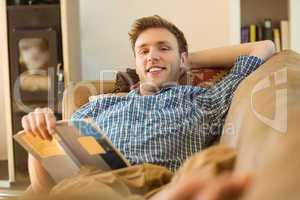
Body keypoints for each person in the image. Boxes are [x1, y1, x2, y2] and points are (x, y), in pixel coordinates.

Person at [21, 15, 275, 199]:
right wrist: (39, 138)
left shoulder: (204, 100)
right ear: (135, 61)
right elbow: (47, 182)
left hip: (155, 184)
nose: (151, 56)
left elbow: (264, 47)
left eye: (163, 48)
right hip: (89, 188)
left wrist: (183, 61)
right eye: (143, 51)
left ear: (183, 58)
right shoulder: (99, 106)